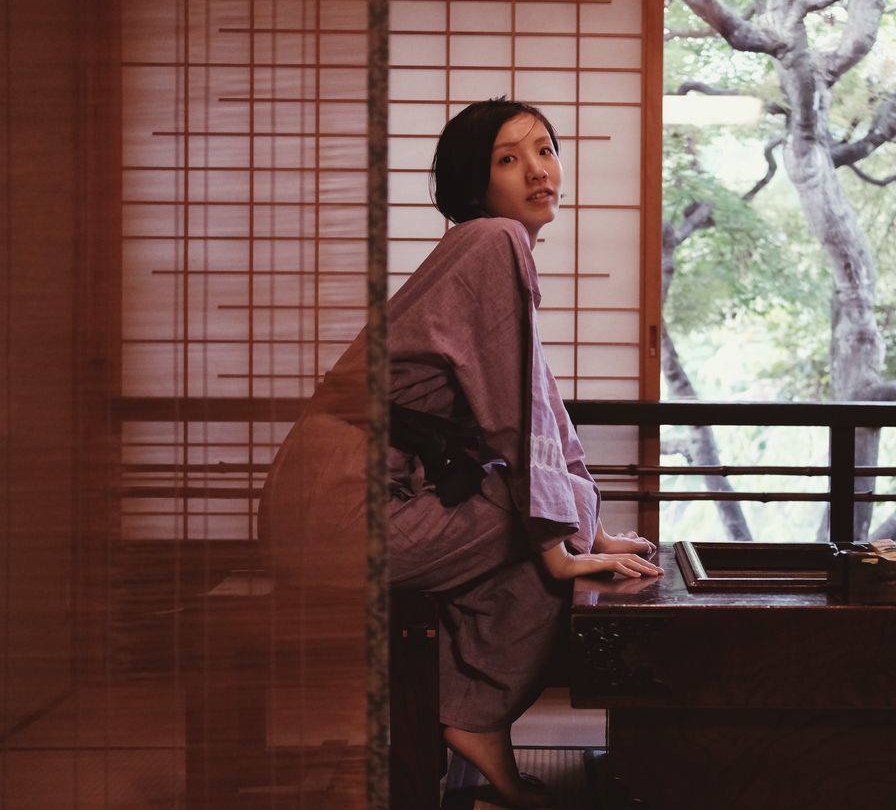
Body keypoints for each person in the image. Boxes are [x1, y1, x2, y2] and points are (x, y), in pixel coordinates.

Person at [258, 99, 661, 809]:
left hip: (353, 497)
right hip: (337, 507)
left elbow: (538, 404)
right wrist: (563, 540)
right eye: (509, 159)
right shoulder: (492, 240)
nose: (539, 169)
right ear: (476, 185)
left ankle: (475, 723)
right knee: (537, 526)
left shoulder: (489, 245)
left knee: (543, 521)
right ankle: (470, 715)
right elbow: (517, 417)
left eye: (545, 148)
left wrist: (584, 526)